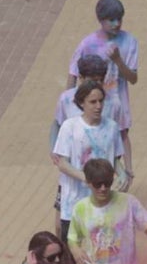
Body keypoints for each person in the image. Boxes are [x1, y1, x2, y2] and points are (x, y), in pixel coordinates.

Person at [68, 0, 140, 168]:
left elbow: (133, 78)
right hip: (92, 103)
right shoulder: (87, 44)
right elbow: (72, 74)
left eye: (119, 19)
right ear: (101, 20)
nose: (117, 24)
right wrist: (69, 101)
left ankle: (117, 175)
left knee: (115, 144)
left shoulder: (129, 42)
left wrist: (118, 60)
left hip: (117, 104)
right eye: (111, 20)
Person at [52, 82, 125, 241]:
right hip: (74, 203)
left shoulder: (112, 127)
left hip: (103, 204)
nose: (98, 106)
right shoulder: (69, 127)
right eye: (93, 102)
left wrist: (122, 174)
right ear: (81, 103)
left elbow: (115, 159)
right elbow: (62, 162)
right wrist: (86, 178)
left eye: (101, 101)